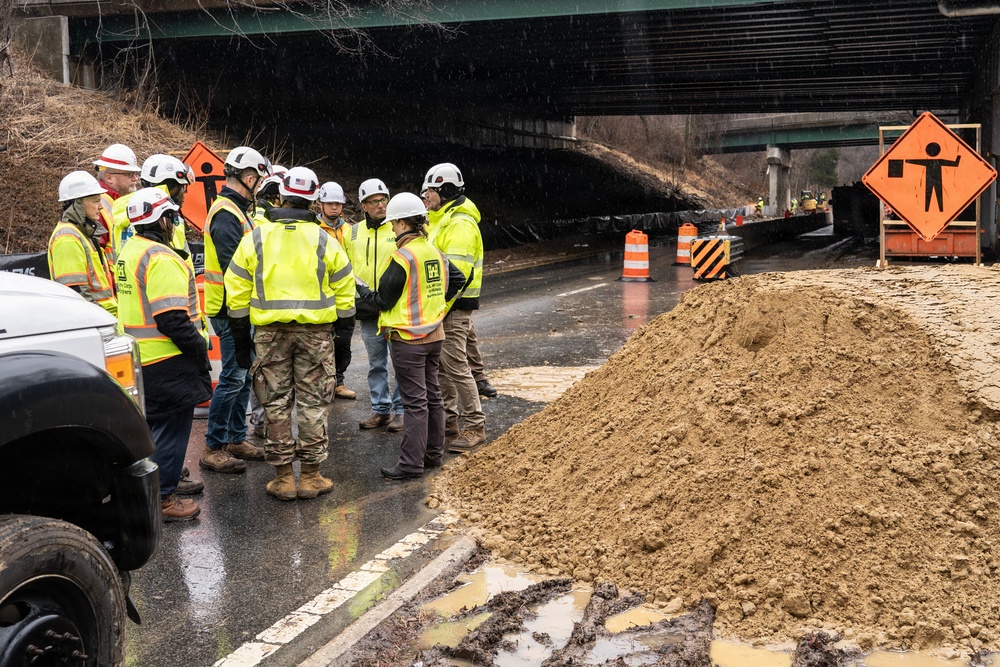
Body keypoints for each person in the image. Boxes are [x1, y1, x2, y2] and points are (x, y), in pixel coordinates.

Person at [225, 166, 355, 501]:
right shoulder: (325, 239)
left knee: (276, 404)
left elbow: (236, 289)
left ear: (281, 195)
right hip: (316, 335)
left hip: (269, 335)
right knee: (313, 404)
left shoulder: (256, 237)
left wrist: (241, 339)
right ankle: (310, 477)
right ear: (314, 200)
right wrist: (343, 338)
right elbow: (345, 291)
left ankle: (283, 479)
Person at [116, 188, 213, 522]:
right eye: (171, 216)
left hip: (141, 358)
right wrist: (199, 347)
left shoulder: (130, 250)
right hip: (167, 360)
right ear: (162, 219)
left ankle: (153, 492)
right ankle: (163, 499)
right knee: (171, 433)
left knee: (153, 432)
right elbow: (172, 318)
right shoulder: (161, 258)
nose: (174, 223)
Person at [356, 193, 467, 480]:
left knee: (414, 402)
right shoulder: (432, 251)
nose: (392, 228)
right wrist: (437, 307)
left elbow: (382, 301)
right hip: (434, 335)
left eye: (394, 223)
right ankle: (432, 454)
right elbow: (456, 280)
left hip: (408, 339)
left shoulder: (403, 257)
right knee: (432, 397)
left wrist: (362, 291)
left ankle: (410, 464)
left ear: (404, 222)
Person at [199, 146, 271, 474]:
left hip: (239, 307)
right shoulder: (227, 212)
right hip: (230, 310)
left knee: (242, 376)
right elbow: (235, 266)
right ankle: (214, 446)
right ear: (250, 177)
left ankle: (236, 438)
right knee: (233, 377)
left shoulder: (236, 210)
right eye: (259, 180)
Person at [422, 163, 487, 452]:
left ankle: (475, 426)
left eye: (431, 191)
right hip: (444, 307)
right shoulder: (441, 219)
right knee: (443, 368)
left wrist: (437, 309)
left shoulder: (459, 225)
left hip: (452, 307)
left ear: (446, 191)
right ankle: (449, 420)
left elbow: (455, 278)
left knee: (457, 367)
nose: (426, 196)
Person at [347, 178, 404, 432]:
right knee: (376, 363)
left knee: (401, 361)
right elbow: (346, 267)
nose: (381, 205)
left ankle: (402, 410)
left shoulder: (398, 228)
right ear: (363, 206)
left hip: (395, 307)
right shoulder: (354, 232)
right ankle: (381, 410)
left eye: (384, 199)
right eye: (374, 201)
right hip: (368, 309)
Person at [47, 171, 118, 315]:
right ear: (77, 204)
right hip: (96, 319)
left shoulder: (83, 233)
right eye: (95, 201)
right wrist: (98, 321)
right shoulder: (67, 238)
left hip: (106, 317)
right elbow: (76, 294)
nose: (101, 206)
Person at [317, 181, 357, 401]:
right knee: (321, 344)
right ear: (320, 204)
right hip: (322, 296)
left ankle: (338, 382)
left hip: (344, 295)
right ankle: (324, 385)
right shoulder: (313, 230)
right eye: (329, 203)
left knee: (342, 344)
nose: (334, 207)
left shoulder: (349, 231)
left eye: (337, 203)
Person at [94, 143, 141, 258]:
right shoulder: (97, 205)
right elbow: (97, 256)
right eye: (130, 174)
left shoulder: (123, 200)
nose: (136, 179)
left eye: (135, 174)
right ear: (109, 178)